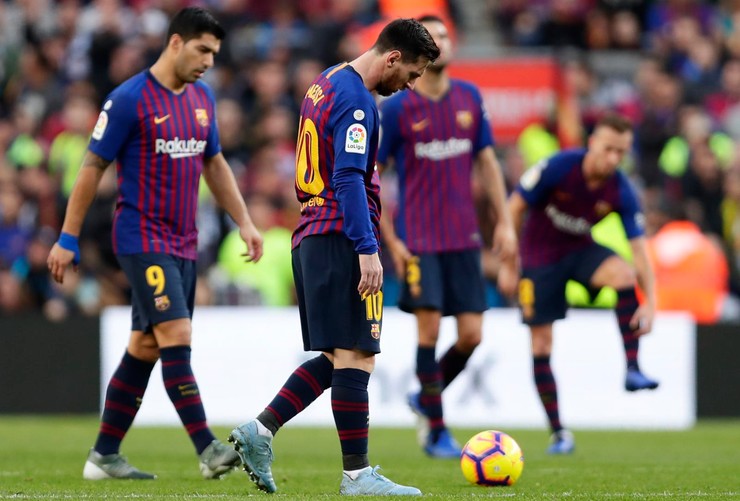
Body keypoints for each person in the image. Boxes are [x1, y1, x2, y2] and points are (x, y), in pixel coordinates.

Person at [47, 7, 264, 480]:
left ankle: (104, 456)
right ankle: (208, 448)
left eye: (215, 53)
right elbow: (92, 167)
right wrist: (67, 236)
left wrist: (245, 221)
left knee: (145, 346)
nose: (209, 61)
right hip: (141, 237)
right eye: (202, 50)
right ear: (175, 43)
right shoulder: (129, 99)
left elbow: (215, 164)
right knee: (176, 335)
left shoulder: (202, 98)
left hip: (185, 242)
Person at [228, 18, 439, 496]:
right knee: (357, 356)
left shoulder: (327, 81)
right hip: (340, 235)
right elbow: (347, 177)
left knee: (339, 355)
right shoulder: (358, 101)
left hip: (315, 232)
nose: (410, 85)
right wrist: (367, 248)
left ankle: (260, 430)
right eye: (411, 74)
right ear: (392, 58)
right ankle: (357, 476)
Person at [376, 15, 517, 458]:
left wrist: (505, 222)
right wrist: (390, 238)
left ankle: (424, 398)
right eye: (432, 36)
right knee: (430, 327)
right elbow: (372, 175)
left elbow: (487, 162)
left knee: (472, 334)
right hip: (419, 238)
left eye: (445, 35)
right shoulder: (397, 108)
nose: (441, 41)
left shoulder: (469, 97)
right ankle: (436, 429)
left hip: (464, 236)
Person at [499, 112, 659, 455]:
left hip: (579, 250)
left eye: (621, 152)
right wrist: (509, 264)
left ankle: (633, 368)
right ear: (592, 143)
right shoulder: (559, 167)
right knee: (541, 345)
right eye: (608, 149)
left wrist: (651, 303)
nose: (613, 158)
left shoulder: (622, 190)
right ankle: (559, 432)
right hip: (539, 258)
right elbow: (514, 206)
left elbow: (640, 251)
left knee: (623, 274)